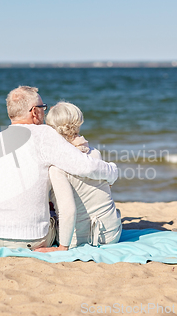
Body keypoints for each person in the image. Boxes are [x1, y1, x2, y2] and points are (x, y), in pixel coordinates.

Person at [0, 86, 118, 250]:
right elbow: (85, 167)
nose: (44, 112)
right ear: (34, 112)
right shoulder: (44, 134)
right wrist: (112, 172)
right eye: (43, 108)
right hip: (29, 239)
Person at [36, 101, 122, 253]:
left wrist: (63, 247)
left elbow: (68, 210)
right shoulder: (94, 153)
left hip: (80, 239)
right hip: (112, 234)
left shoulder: (56, 168)